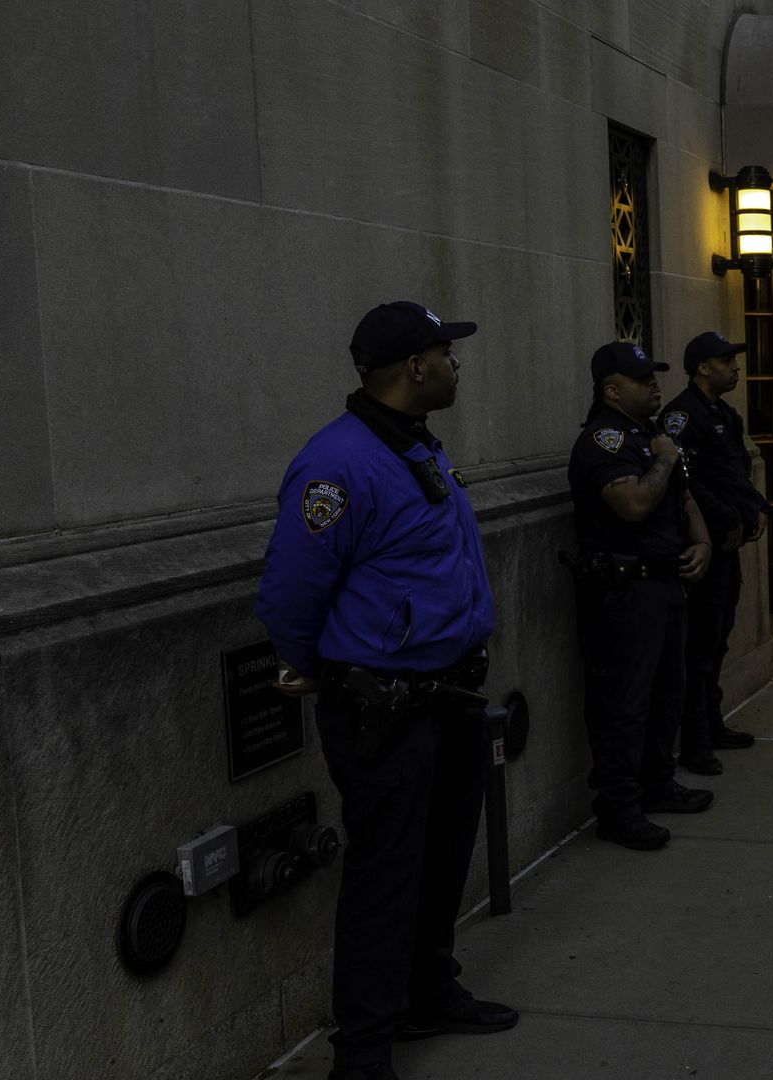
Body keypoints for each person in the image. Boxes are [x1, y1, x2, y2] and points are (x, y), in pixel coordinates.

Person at [256, 301, 515, 1080]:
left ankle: (429, 991)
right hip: (384, 709)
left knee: (441, 862)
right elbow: (290, 593)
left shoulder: (414, 447)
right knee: (386, 875)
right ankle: (363, 1050)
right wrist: (315, 663)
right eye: (447, 352)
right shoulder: (336, 464)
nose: (456, 365)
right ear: (415, 368)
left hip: (448, 697)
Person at [566, 341, 716, 852]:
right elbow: (632, 503)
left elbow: (684, 496)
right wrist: (665, 462)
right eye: (640, 378)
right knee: (624, 705)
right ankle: (618, 807)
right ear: (611, 389)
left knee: (665, 693)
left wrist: (703, 541)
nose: (654, 383)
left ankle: (658, 783)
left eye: (653, 375)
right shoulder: (603, 440)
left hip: (665, 582)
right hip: (625, 592)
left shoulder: (648, 436)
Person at [661, 331, 764, 777]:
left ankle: (712, 722)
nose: (735, 367)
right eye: (726, 361)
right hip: (705, 543)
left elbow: (735, 471)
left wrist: (757, 507)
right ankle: (696, 741)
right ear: (703, 368)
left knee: (718, 635)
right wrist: (727, 518)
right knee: (699, 643)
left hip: (728, 541)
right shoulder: (682, 416)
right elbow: (687, 483)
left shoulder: (724, 414)